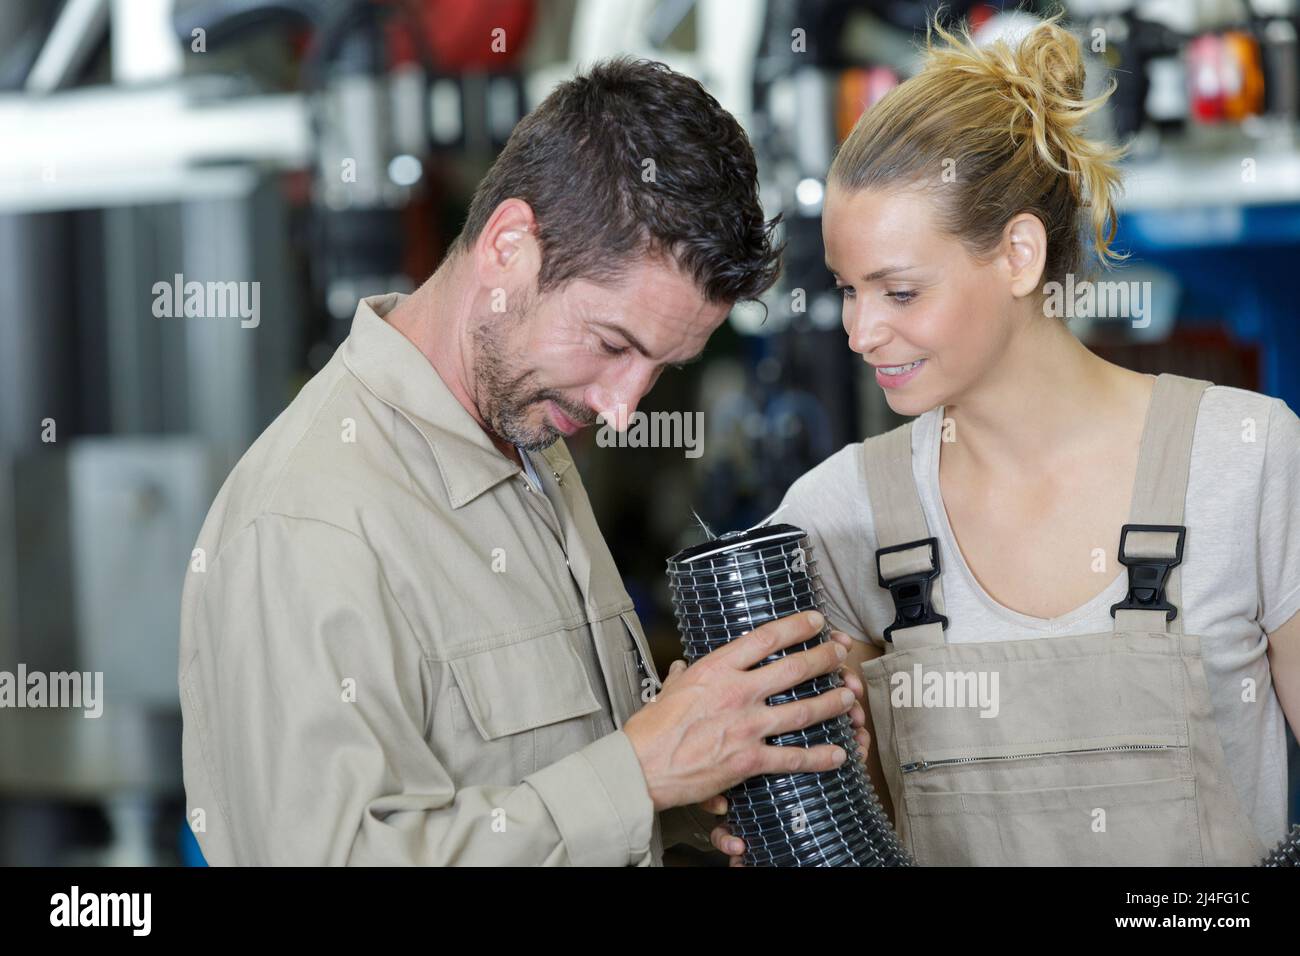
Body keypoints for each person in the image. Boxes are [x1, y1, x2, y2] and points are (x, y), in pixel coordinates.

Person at [179, 56, 871, 866]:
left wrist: (725, 766)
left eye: (658, 368)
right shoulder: (306, 522)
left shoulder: (528, 444)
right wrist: (639, 772)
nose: (623, 408)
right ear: (510, 245)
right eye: (613, 343)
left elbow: (539, 790)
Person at [711, 15, 1300, 865]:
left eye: (900, 292)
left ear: (1020, 255)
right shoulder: (838, 517)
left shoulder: (1247, 461)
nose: (860, 331)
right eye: (847, 290)